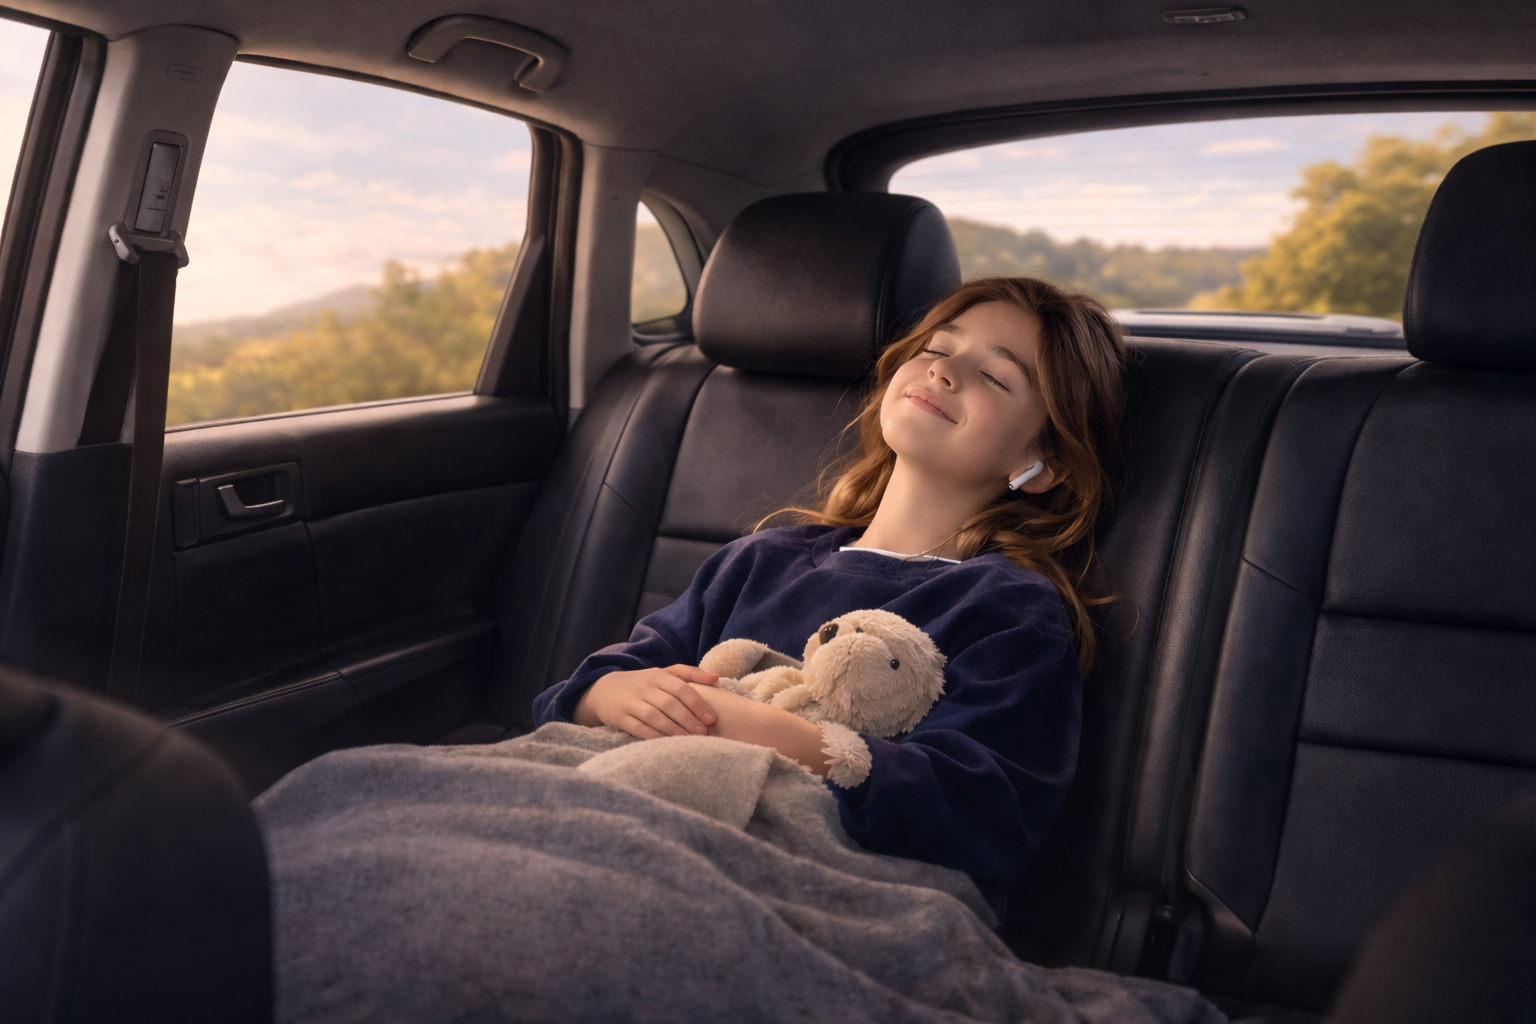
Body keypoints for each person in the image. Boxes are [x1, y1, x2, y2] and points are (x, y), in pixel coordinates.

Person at [532, 277, 1128, 899]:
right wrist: (610, 692)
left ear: (1043, 465)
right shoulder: (759, 560)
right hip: (617, 801)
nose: (946, 370)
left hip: (767, 873)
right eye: (935, 348)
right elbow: (587, 690)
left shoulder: (1009, 610)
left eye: (997, 377)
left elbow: (981, 811)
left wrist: (745, 727)